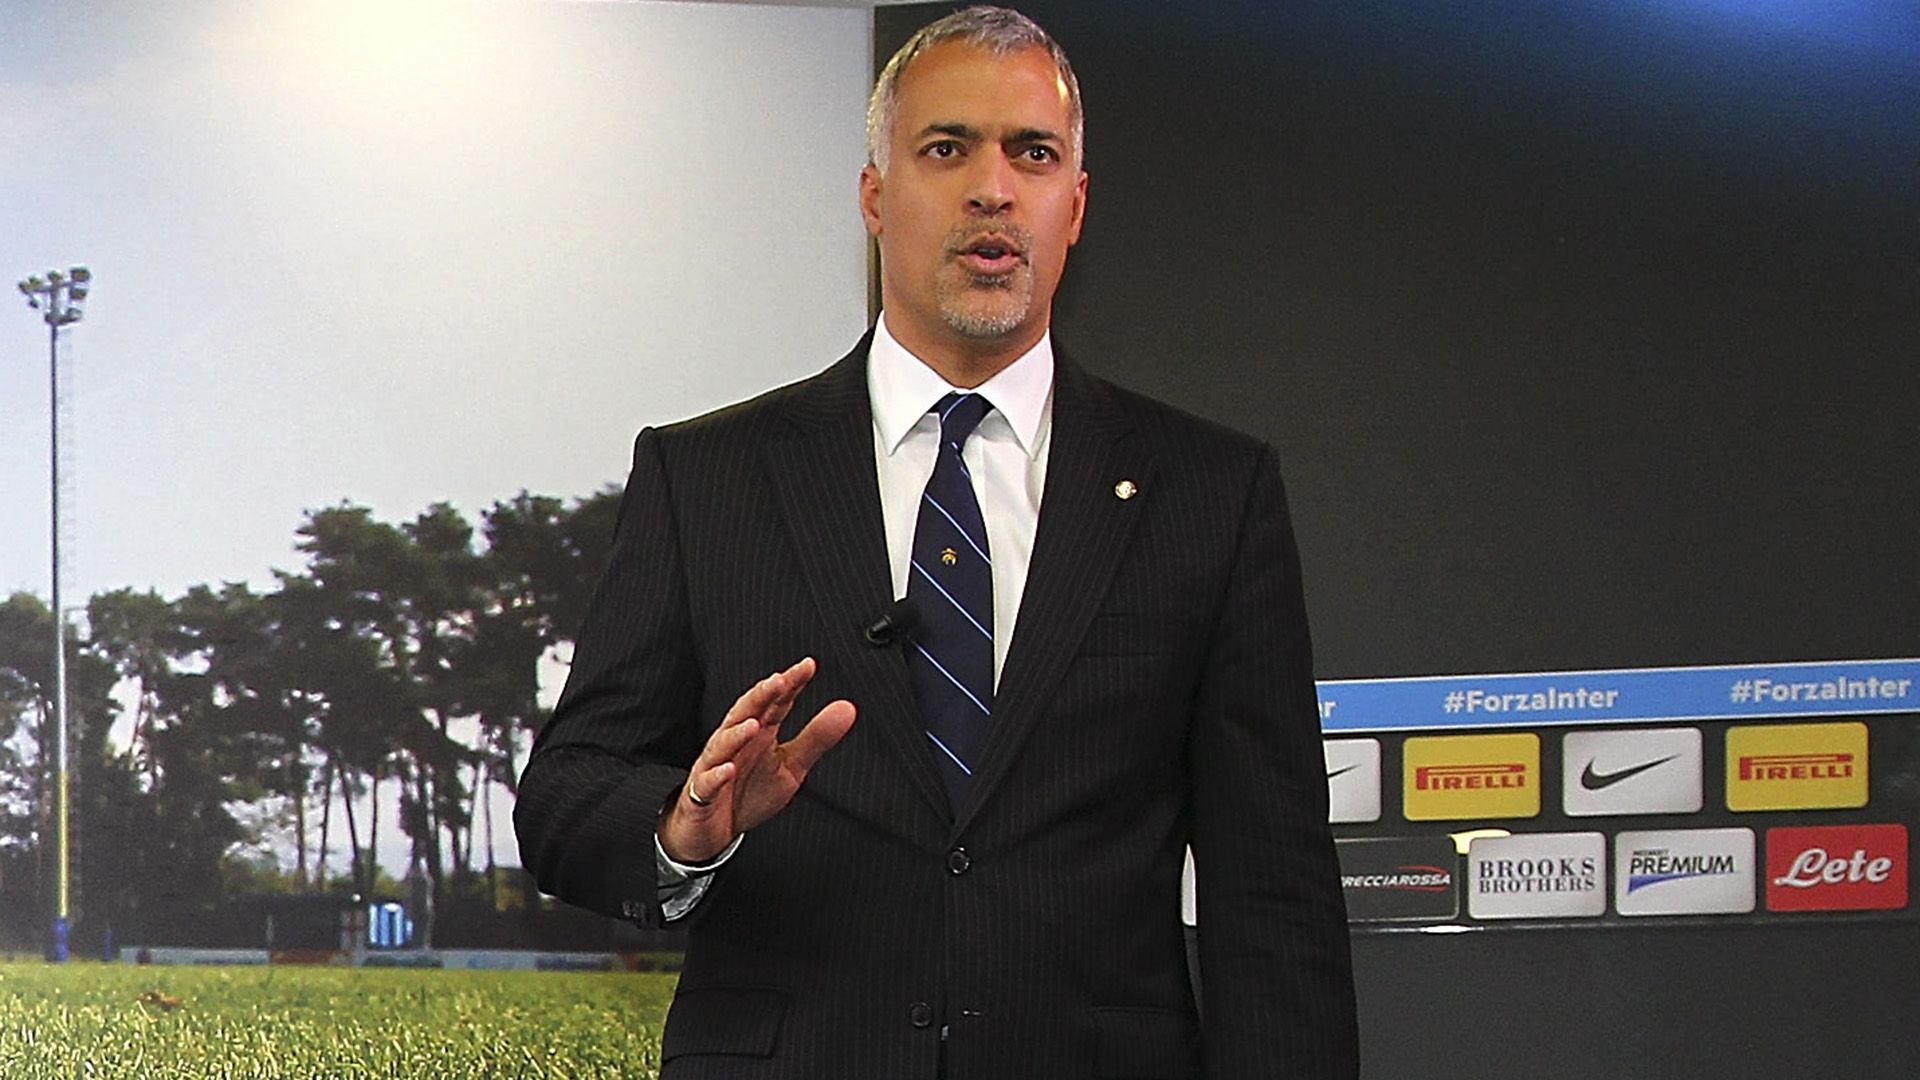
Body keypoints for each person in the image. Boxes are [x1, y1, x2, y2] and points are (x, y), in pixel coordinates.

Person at [515, 7, 1358, 1078]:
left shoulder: (1210, 491)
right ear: (875, 195)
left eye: (1033, 154)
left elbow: (1272, 883)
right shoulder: (710, 477)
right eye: (947, 148)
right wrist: (688, 824)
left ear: (1075, 205)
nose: (992, 189)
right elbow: (565, 796)